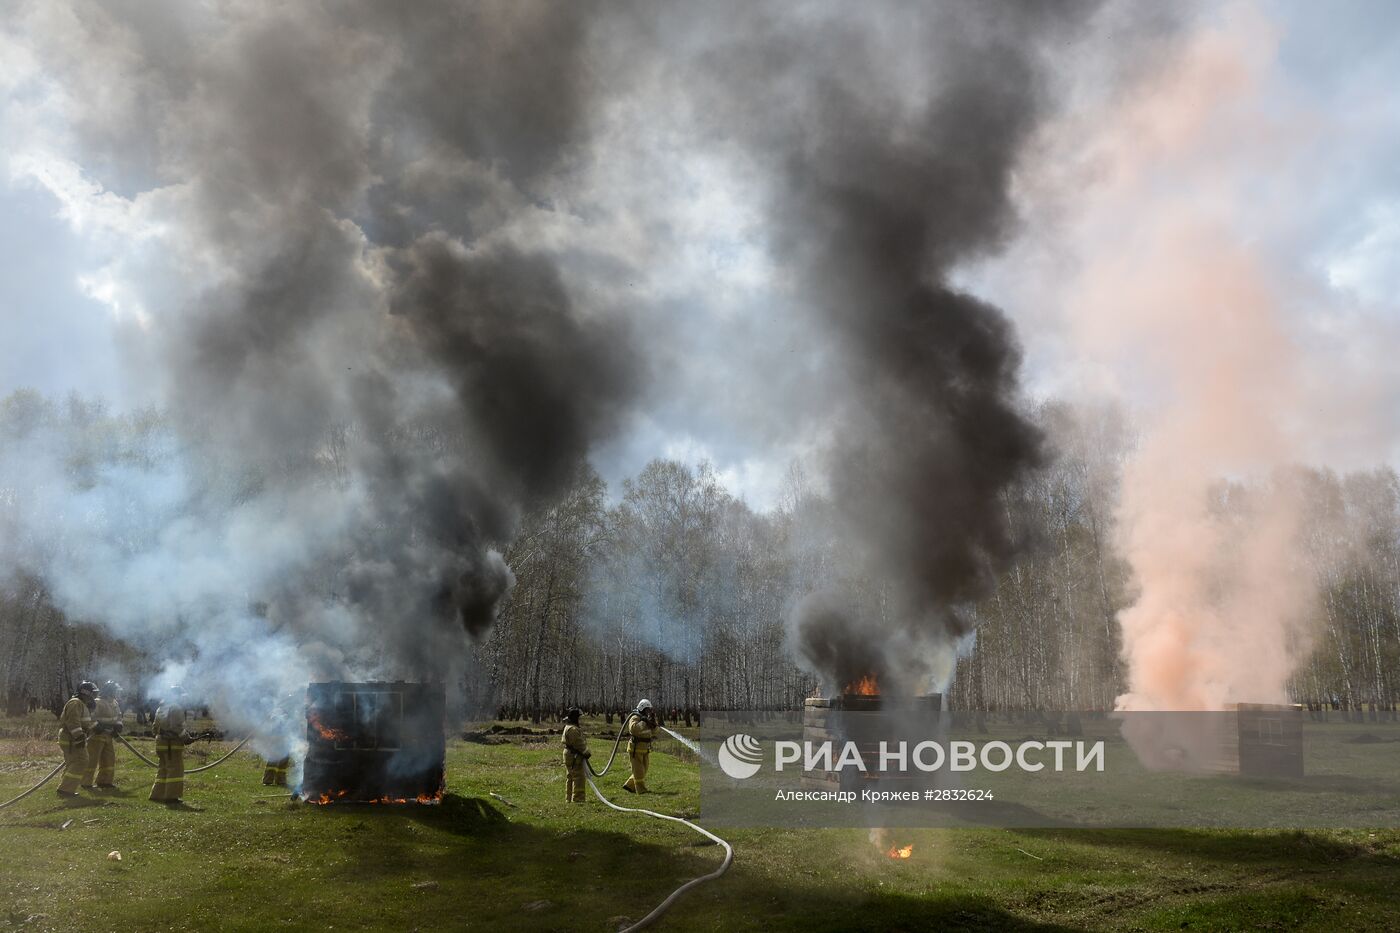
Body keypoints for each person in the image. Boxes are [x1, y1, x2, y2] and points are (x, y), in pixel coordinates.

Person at [149, 686, 192, 804]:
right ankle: (171, 796)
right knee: (175, 770)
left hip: (161, 743)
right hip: (172, 745)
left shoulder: (161, 708)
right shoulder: (176, 708)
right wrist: (186, 738)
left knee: (163, 769)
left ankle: (157, 794)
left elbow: (154, 728)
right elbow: (177, 727)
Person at [56, 681, 97, 798]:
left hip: (72, 738)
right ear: (86, 693)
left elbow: (83, 722)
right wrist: (79, 737)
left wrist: (95, 726)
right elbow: (73, 722)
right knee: (81, 761)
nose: (94, 696)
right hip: (71, 739)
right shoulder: (75, 703)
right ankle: (65, 790)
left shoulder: (81, 703)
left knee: (73, 762)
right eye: (93, 693)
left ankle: (64, 788)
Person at [83, 681, 124, 789]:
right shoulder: (98, 702)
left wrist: (118, 725)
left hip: (109, 736)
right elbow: (90, 717)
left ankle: (105, 781)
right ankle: (86, 782)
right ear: (110, 691)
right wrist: (96, 726)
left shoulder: (114, 703)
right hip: (97, 735)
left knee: (109, 759)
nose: (117, 693)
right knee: (92, 760)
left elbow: (119, 716)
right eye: (115, 691)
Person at [621, 698, 657, 794]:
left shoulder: (648, 719)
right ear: (642, 708)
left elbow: (654, 732)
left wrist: (653, 724)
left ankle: (629, 785)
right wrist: (643, 722)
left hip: (645, 748)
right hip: (635, 749)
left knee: (644, 769)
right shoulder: (635, 717)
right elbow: (634, 729)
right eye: (647, 710)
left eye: (650, 710)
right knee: (639, 770)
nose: (649, 712)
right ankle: (641, 790)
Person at [561, 707, 590, 803]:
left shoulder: (568, 727)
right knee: (578, 778)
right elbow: (579, 744)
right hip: (574, 756)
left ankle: (568, 799)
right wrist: (586, 752)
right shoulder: (573, 729)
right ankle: (578, 799)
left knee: (570, 777)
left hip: (570, 755)